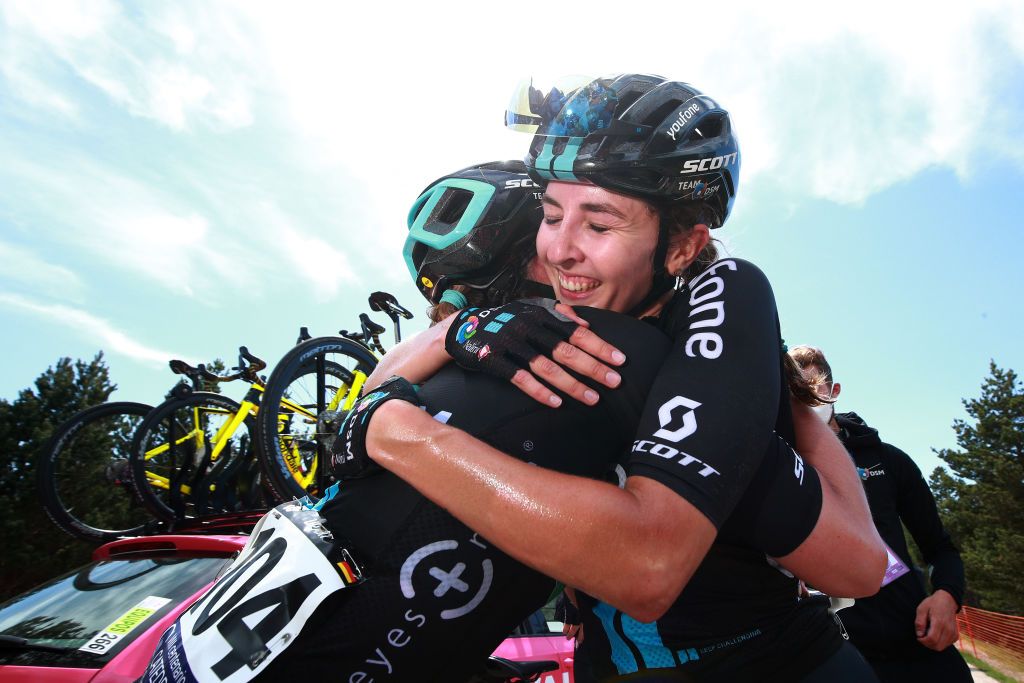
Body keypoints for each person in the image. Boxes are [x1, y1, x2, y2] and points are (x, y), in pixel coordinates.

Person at [142, 161, 821, 683]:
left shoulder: (586, 356)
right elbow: (847, 559)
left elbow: (357, 424)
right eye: (553, 224)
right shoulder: (583, 354)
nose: (564, 255)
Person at [352, 74, 887, 681]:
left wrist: (405, 436)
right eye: (551, 216)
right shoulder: (569, 315)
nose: (559, 251)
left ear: (683, 248)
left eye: (600, 225)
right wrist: (458, 331)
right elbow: (375, 399)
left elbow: (859, 568)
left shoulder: (715, 297)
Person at [788, 345, 972, 683]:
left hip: (916, 642)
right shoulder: (781, 471)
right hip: (833, 654)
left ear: (834, 391)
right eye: (793, 393)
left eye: (812, 388)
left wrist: (947, 596)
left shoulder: (888, 460)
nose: (805, 400)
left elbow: (940, 548)